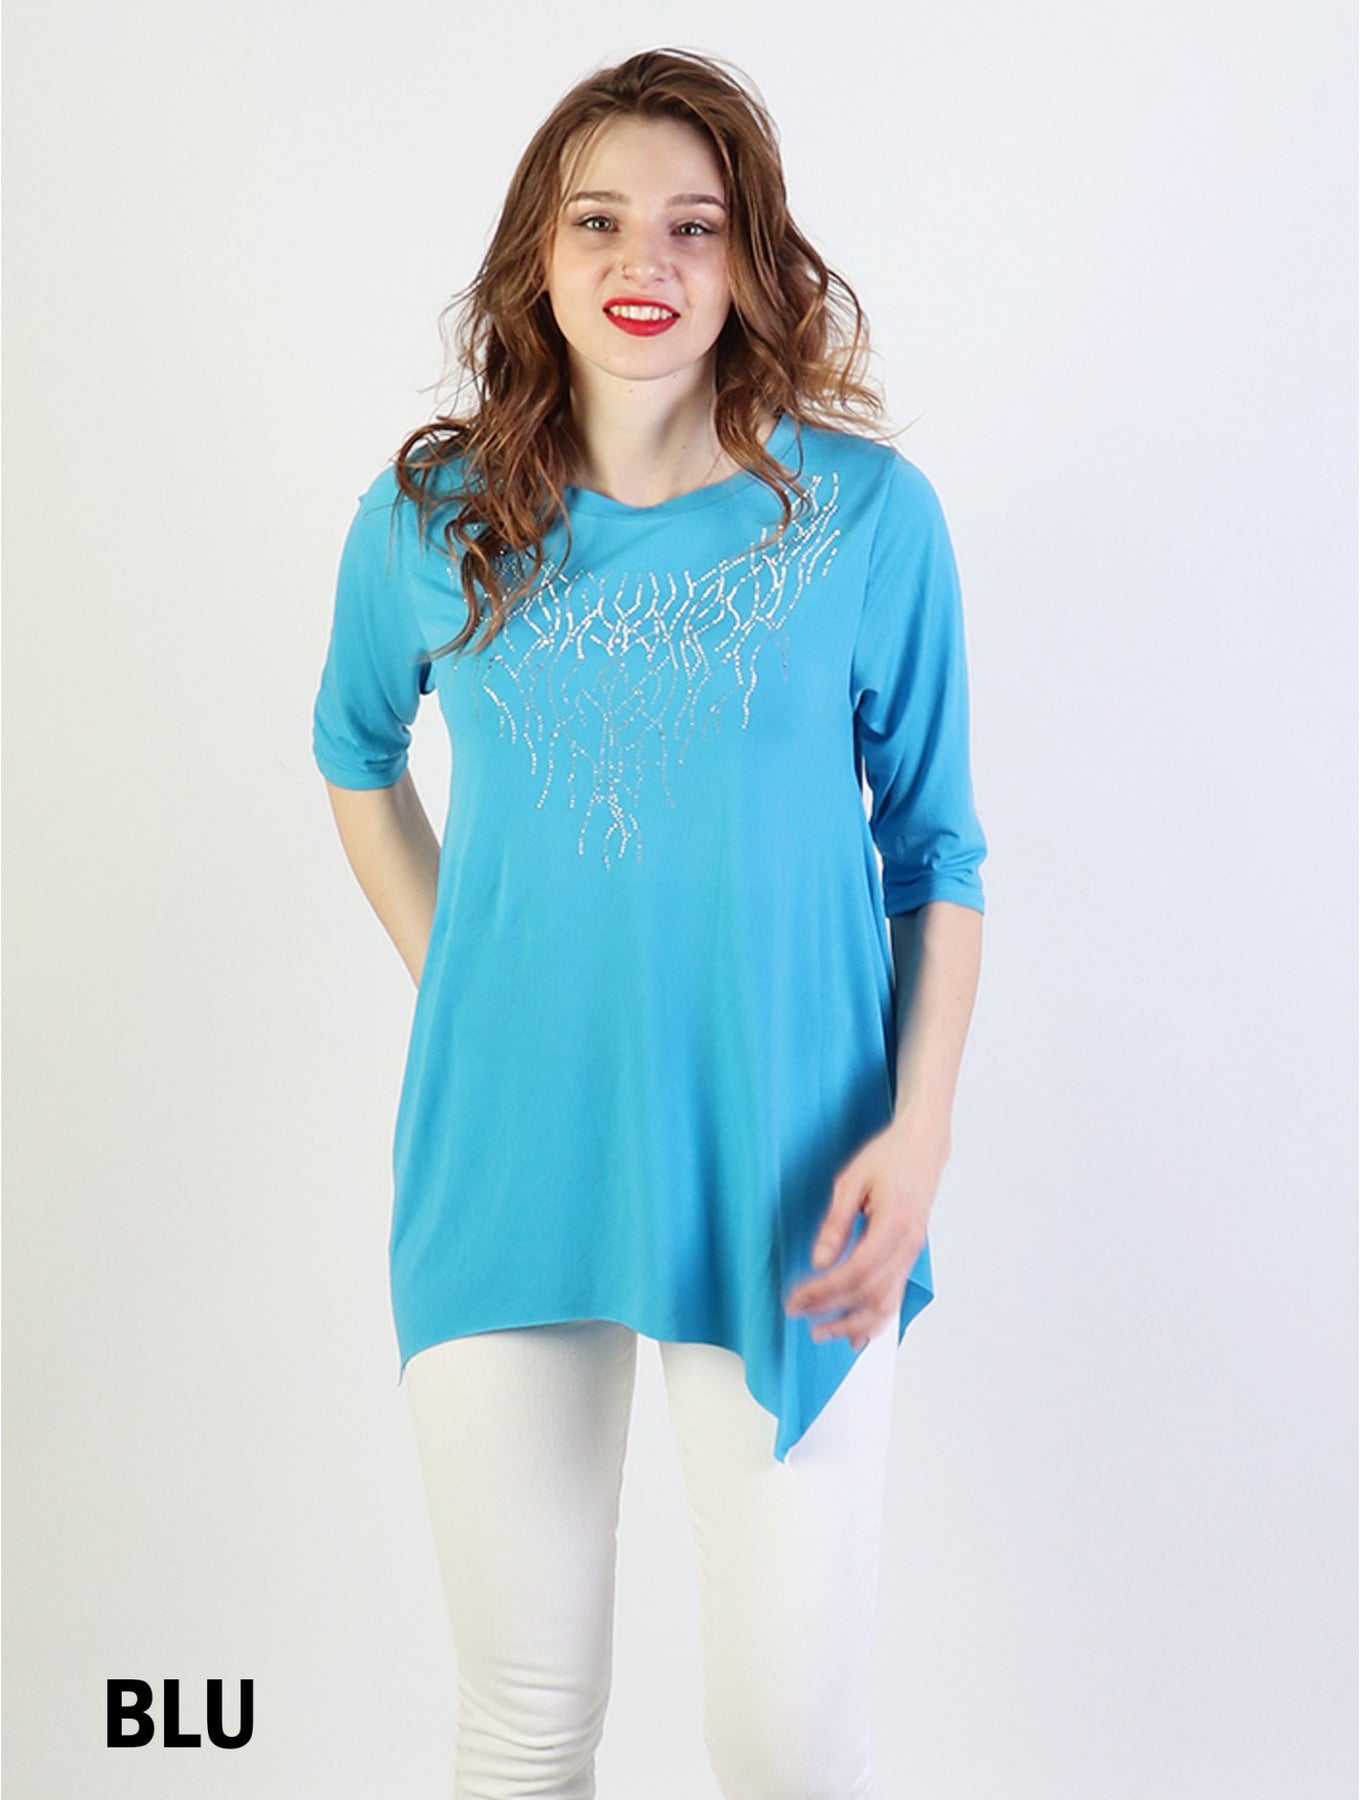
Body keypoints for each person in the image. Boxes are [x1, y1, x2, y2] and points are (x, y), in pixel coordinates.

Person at [312, 45, 987, 1800]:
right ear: (536, 254)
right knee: (524, 1728)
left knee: (787, 1754)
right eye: (600, 220)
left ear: (755, 260)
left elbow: (937, 855)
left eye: (697, 225)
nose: (648, 261)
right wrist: (463, 977)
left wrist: (918, 1137)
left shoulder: (866, 519)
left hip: (795, 1161)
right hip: (505, 1154)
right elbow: (355, 757)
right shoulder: (430, 521)